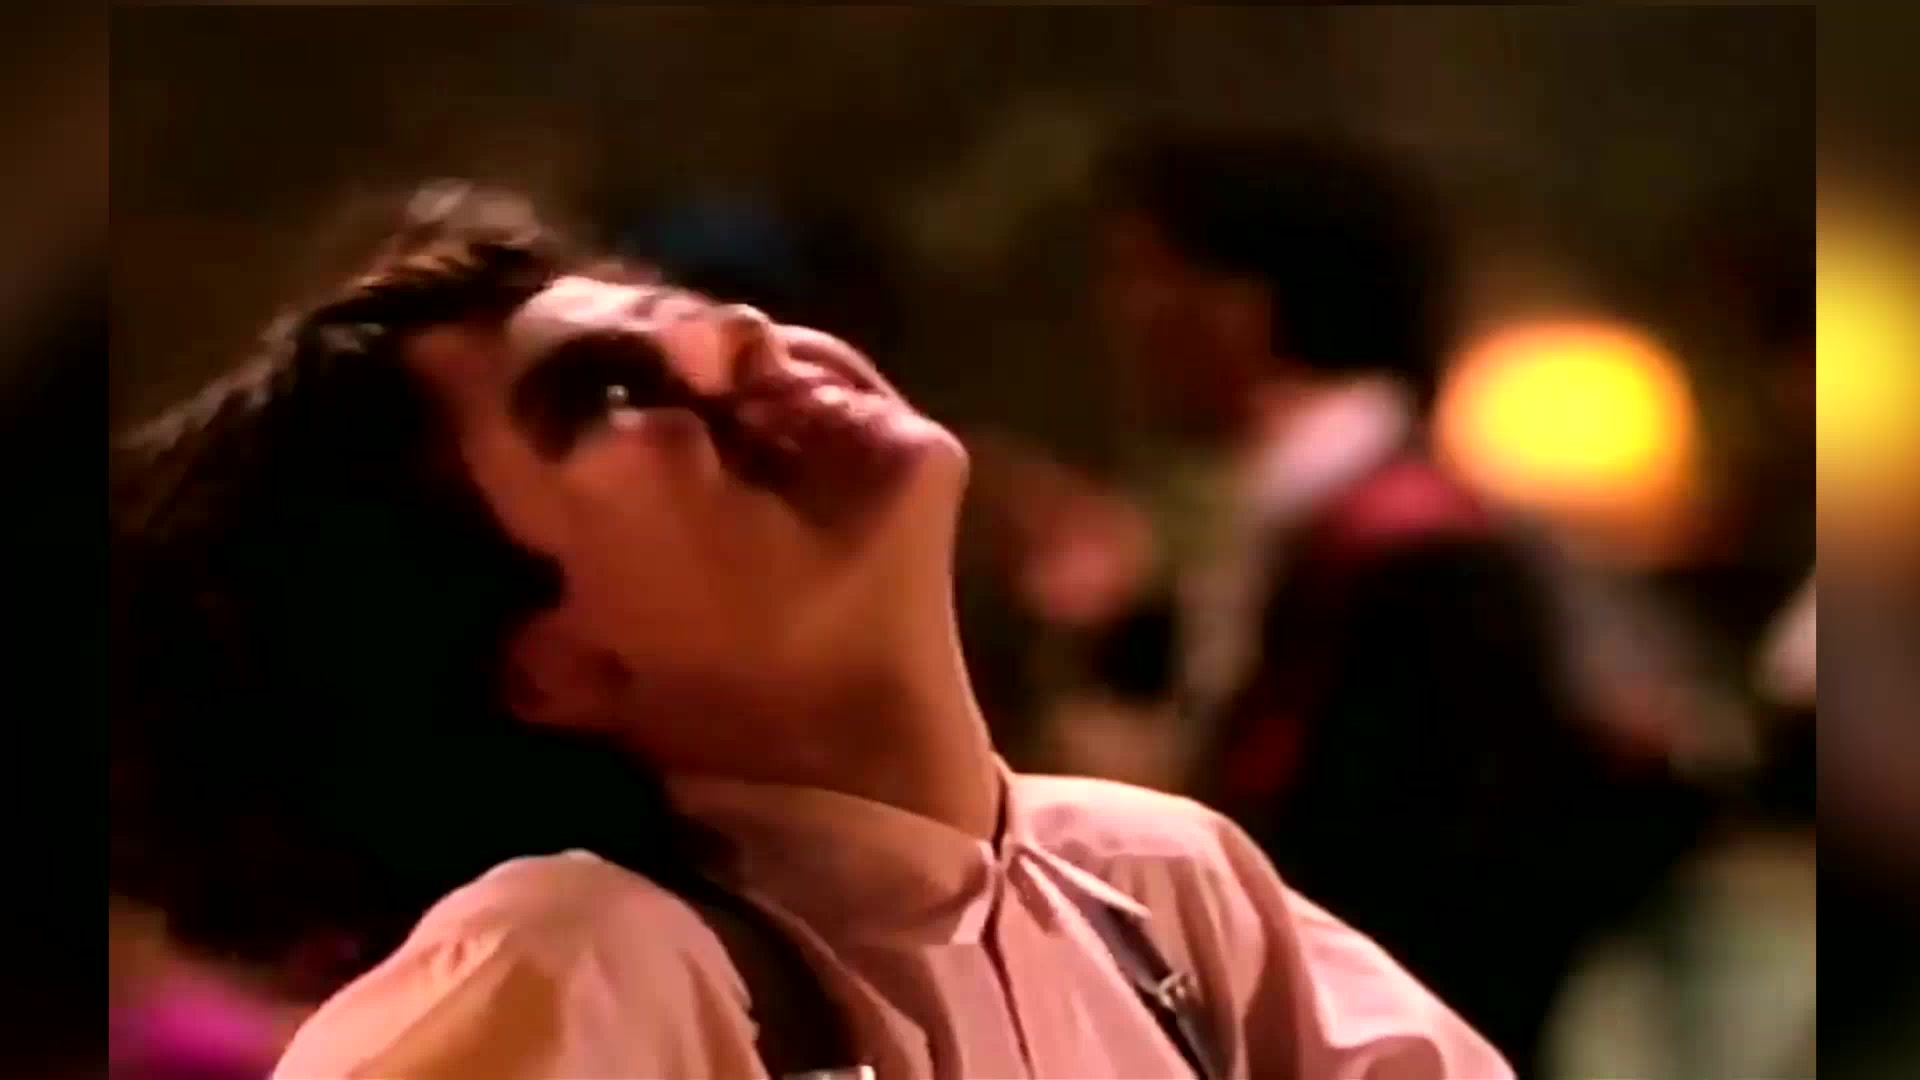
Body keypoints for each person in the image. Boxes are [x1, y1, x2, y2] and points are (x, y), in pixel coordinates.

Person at [111, 183, 1507, 1079]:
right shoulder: (585, 965)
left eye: (689, 311)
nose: (739, 340)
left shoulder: (1155, 891)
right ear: (542, 665)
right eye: (607, 394)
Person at [1080, 127, 1698, 1074]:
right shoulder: (1303, 525)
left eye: (1148, 276)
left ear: (1246, 307)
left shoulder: (1424, 551)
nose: (1120, 316)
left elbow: (1454, 903)